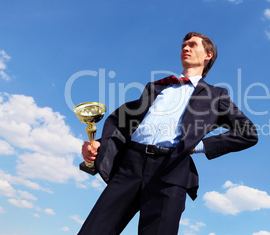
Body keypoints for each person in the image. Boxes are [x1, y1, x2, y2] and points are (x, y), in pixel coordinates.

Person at [78, 32, 258, 235]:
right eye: (183, 45)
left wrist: (198, 146)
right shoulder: (156, 87)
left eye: (192, 45)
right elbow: (133, 125)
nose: (185, 48)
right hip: (130, 165)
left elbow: (248, 133)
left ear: (208, 55)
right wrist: (100, 143)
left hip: (171, 170)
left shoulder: (216, 95)